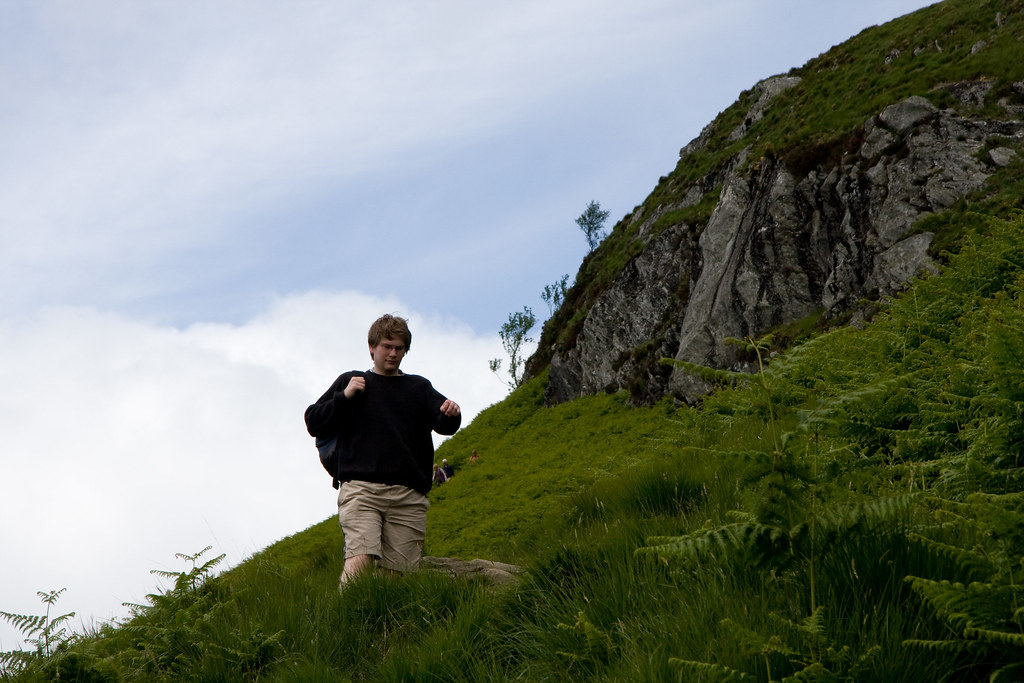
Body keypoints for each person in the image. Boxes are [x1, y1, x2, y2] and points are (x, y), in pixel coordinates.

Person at [304, 314, 461, 587]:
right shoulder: (352, 382)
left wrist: (452, 413)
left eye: (399, 348)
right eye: (387, 346)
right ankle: (342, 612)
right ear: (372, 347)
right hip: (361, 490)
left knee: (396, 577)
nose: (393, 353)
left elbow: (445, 424)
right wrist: (345, 397)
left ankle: (377, 616)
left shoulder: (419, 388)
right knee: (360, 558)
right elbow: (314, 421)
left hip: (409, 497)